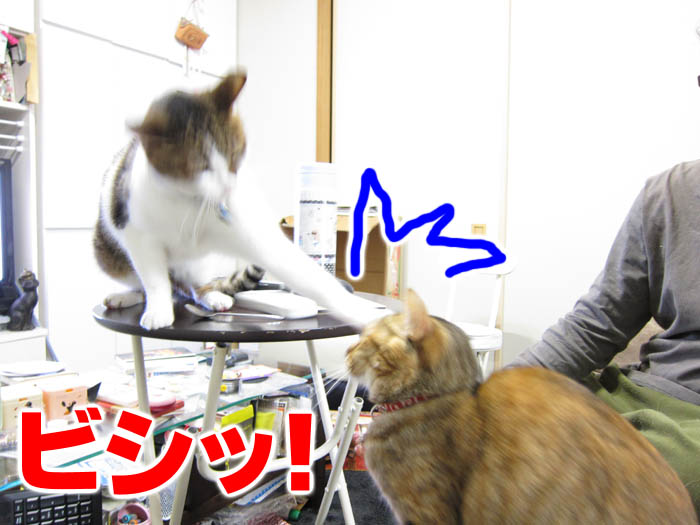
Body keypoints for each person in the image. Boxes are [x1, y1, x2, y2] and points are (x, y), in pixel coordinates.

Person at [511, 159, 700, 516]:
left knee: (657, 478)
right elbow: (597, 322)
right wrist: (495, 392)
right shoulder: (669, 191)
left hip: (690, 431)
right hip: (644, 391)